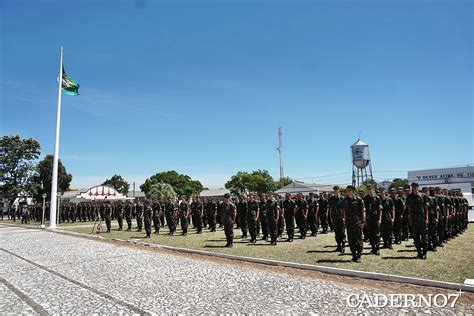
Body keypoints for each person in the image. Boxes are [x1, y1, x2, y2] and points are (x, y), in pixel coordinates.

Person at [406, 182, 428, 259]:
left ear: (418, 187)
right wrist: (410, 219)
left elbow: (426, 208)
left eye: (415, 187)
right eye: (413, 187)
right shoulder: (409, 197)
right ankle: (419, 252)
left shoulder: (423, 196)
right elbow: (409, 209)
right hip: (414, 220)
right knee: (416, 238)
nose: (414, 188)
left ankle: (425, 252)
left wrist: (427, 218)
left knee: (424, 237)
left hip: (422, 219)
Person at [343, 185, 365, 263]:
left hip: (357, 223)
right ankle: (354, 255)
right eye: (347, 190)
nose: (348, 191)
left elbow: (363, 212)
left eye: (350, 190)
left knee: (358, 239)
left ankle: (359, 255)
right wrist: (345, 221)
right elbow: (345, 212)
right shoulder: (345, 200)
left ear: (354, 191)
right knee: (351, 240)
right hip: (349, 223)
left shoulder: (359, 200)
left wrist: (363, 222)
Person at [363, 185, 381, 255]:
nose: (369, 190)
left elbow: (380, 209)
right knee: (370, 234)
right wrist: (364, 220)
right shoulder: (365, 199)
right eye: (368, 189)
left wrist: (379, 219)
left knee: (377, 234)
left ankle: (377, 248)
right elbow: (364, 210)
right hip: (368, 219)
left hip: (375, 219)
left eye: (370, 189)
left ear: (373, 189)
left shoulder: (377, 198)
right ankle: (373, 248)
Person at [328, 186, 346, 253]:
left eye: (337, 190)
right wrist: (331, 218)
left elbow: (345, 209)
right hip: (334, 218)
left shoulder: (343, 199)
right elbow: (330, 209)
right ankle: (339, 246)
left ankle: (343, 246)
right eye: (334, 190)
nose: (335, 191)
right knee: (337, 233)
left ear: (339, 190)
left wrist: (344, 218)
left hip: (341, 218)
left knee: (342, 233)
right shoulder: (331, 199)